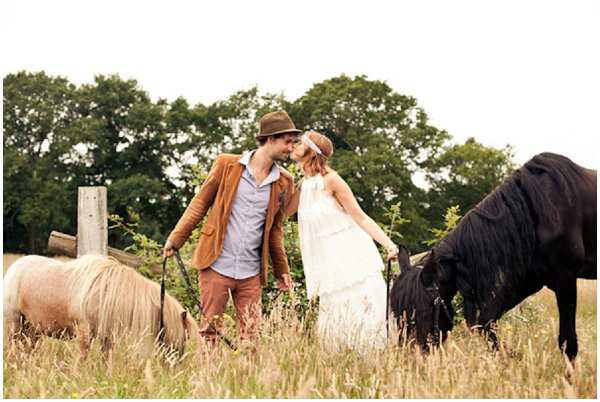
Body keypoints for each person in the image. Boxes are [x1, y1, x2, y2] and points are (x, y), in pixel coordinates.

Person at [163, 110, 299, 346]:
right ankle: (209, 382)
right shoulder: (227, 165)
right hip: (216, 264)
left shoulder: (284, 182)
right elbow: (200, 203)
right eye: (287, 141)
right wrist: (175, 240)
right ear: (270, 138)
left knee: (252, 336)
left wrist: (281, 270)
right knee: (210, 333)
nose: (291, 148)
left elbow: (275, 230)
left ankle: (247, 381)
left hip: (250, 273)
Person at [286, 130, 398, 351]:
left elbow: (361, 217)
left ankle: (376, 362)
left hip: (350, 258)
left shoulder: (332, 180)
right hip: (327, 265)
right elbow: (279, 215)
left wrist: (389, 244)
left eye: (300, 143)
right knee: (335, 317)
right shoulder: (303, 186)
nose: (294, 145)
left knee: (362, 312)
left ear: (311, 152)